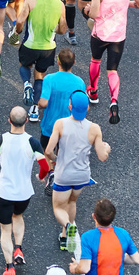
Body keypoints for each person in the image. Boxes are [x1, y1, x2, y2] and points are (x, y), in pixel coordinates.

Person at [0, 106, 50, 275]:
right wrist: (40, 176)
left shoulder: (1, 140)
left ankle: (9, 267)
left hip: (4, 192)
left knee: (5, 230)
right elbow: (45, 166)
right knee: (18, 215)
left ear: (9, 120)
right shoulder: (32, 142)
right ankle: (19, 248)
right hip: (24, 193)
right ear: (26, 121)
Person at [44, 92, 110, 252]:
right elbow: (102, 156)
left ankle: (67, 226)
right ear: (87, 108)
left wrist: (56, 159)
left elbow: (48, 150)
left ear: (70, 107)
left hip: (64, 175)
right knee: (72, 202)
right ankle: (65, 236)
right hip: (82, 175)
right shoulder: (94, 128)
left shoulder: (60, 124)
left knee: (58, 208)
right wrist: (106, 148)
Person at [13, 0, 66, 119]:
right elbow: (62, 30)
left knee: (24, 65)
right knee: (40, 75)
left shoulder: (31, 0)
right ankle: (34, 110)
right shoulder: (60, 5)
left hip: (30, 45)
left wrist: (17, 32)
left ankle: (26, 84)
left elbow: (20, 21)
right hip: (48, 48)